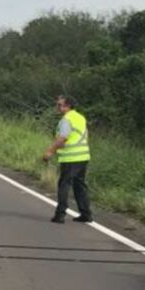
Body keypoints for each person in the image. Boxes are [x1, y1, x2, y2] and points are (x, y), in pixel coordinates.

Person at [42, 95, 93, 224]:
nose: (58, 107)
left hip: (71, 157)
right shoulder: (80, 117)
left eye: (60, 105)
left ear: (68, 106)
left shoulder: (67, 119)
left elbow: (62, 138)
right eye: (58, 104)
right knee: (79, 185)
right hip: (83, 156)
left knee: (64, 185)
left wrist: (49, 152)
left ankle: (60, 214)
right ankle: (86, 213)